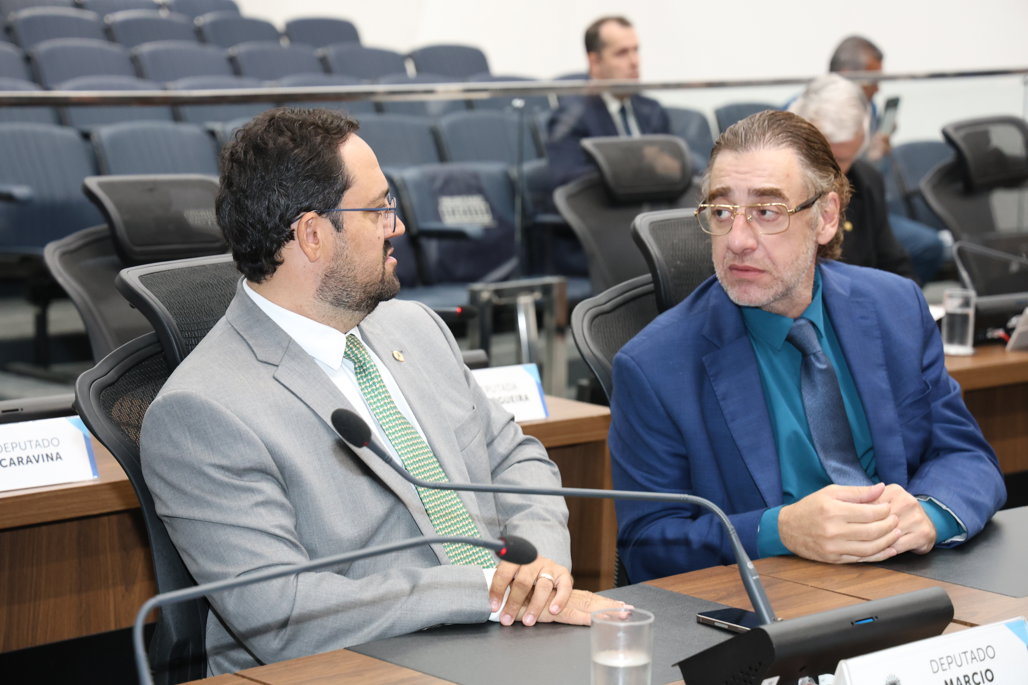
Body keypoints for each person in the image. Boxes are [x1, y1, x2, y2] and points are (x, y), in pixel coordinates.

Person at [140, 107, 620, 675]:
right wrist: (485, 590)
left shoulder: (416, 327)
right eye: (378, 209)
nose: (398, 226)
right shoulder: (201, 411)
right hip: (357, 665)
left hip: (508, 636)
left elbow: (516, 458)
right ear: (312, 235)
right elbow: (283, 615)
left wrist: (536, 565)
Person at [608, 110, 1005, 583]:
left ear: (826, 217)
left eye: (767, 212)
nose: (737, 240)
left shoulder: (894, 306)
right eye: (721, 211)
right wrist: (778, 530)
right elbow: (647, 543)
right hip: (776, 601)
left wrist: (927, 514)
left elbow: (967, 456)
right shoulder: (653, 366)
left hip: (908, 575)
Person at [828, 35, 948, 283]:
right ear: (849, 75)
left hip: (865, 202)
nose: (878, 88)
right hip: (834, 207)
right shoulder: (804, 109)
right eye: (874, 80)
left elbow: (864, 174)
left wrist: (874, 155)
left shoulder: (868, 110)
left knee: (917, 248)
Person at [788, 74, 918, 280]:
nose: (831, 170)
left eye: (842, 159)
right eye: (820, 155)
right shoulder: (769, 187)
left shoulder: (867, 181)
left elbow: (894, 264)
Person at [545, 15, 671, 188]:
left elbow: (679, 167)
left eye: (635, 50)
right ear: (595, 62)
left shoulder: (652, 109)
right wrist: (644, 166)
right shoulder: (571, 117)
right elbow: (570, 180)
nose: (634, 62)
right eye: (622, 53)